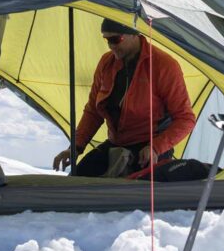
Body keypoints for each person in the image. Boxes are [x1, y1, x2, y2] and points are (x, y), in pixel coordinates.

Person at [53, 18, 196, 176]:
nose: (111, 45)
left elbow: (185, 119)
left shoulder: (164, 65)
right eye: (107, 40)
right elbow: (93, 111)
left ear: (134, 34)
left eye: (116, 39)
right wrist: (75, 148)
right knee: (77, 180)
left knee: (128, 194)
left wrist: (156, 147)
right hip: (116, 144)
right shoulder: (106, 63)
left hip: (149, 147)